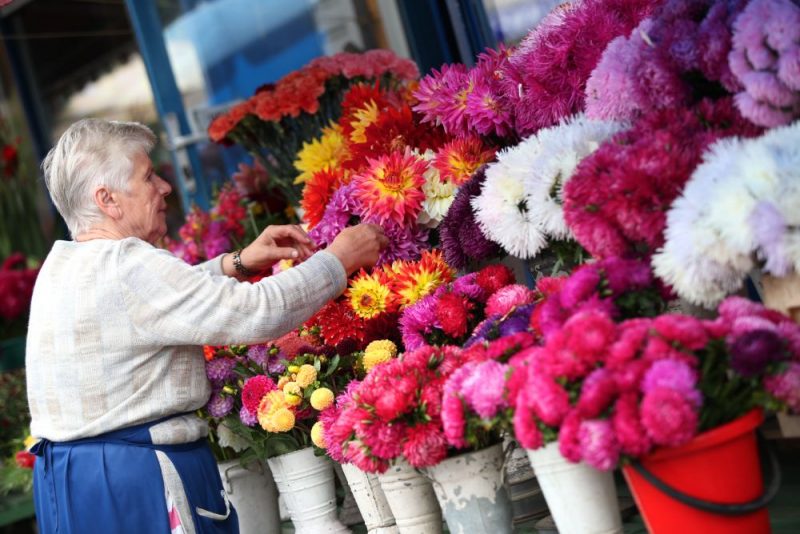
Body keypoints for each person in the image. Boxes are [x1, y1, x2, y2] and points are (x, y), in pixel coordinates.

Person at [25, 119, 387, 534]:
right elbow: (258, 312)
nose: (164, 187)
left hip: (73, 484)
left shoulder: (64, 265)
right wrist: (339, 260)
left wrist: (235, 263)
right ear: (107, 199)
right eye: (148, 176)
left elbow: (141, 308)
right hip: (134, 481)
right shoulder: (128, 263)